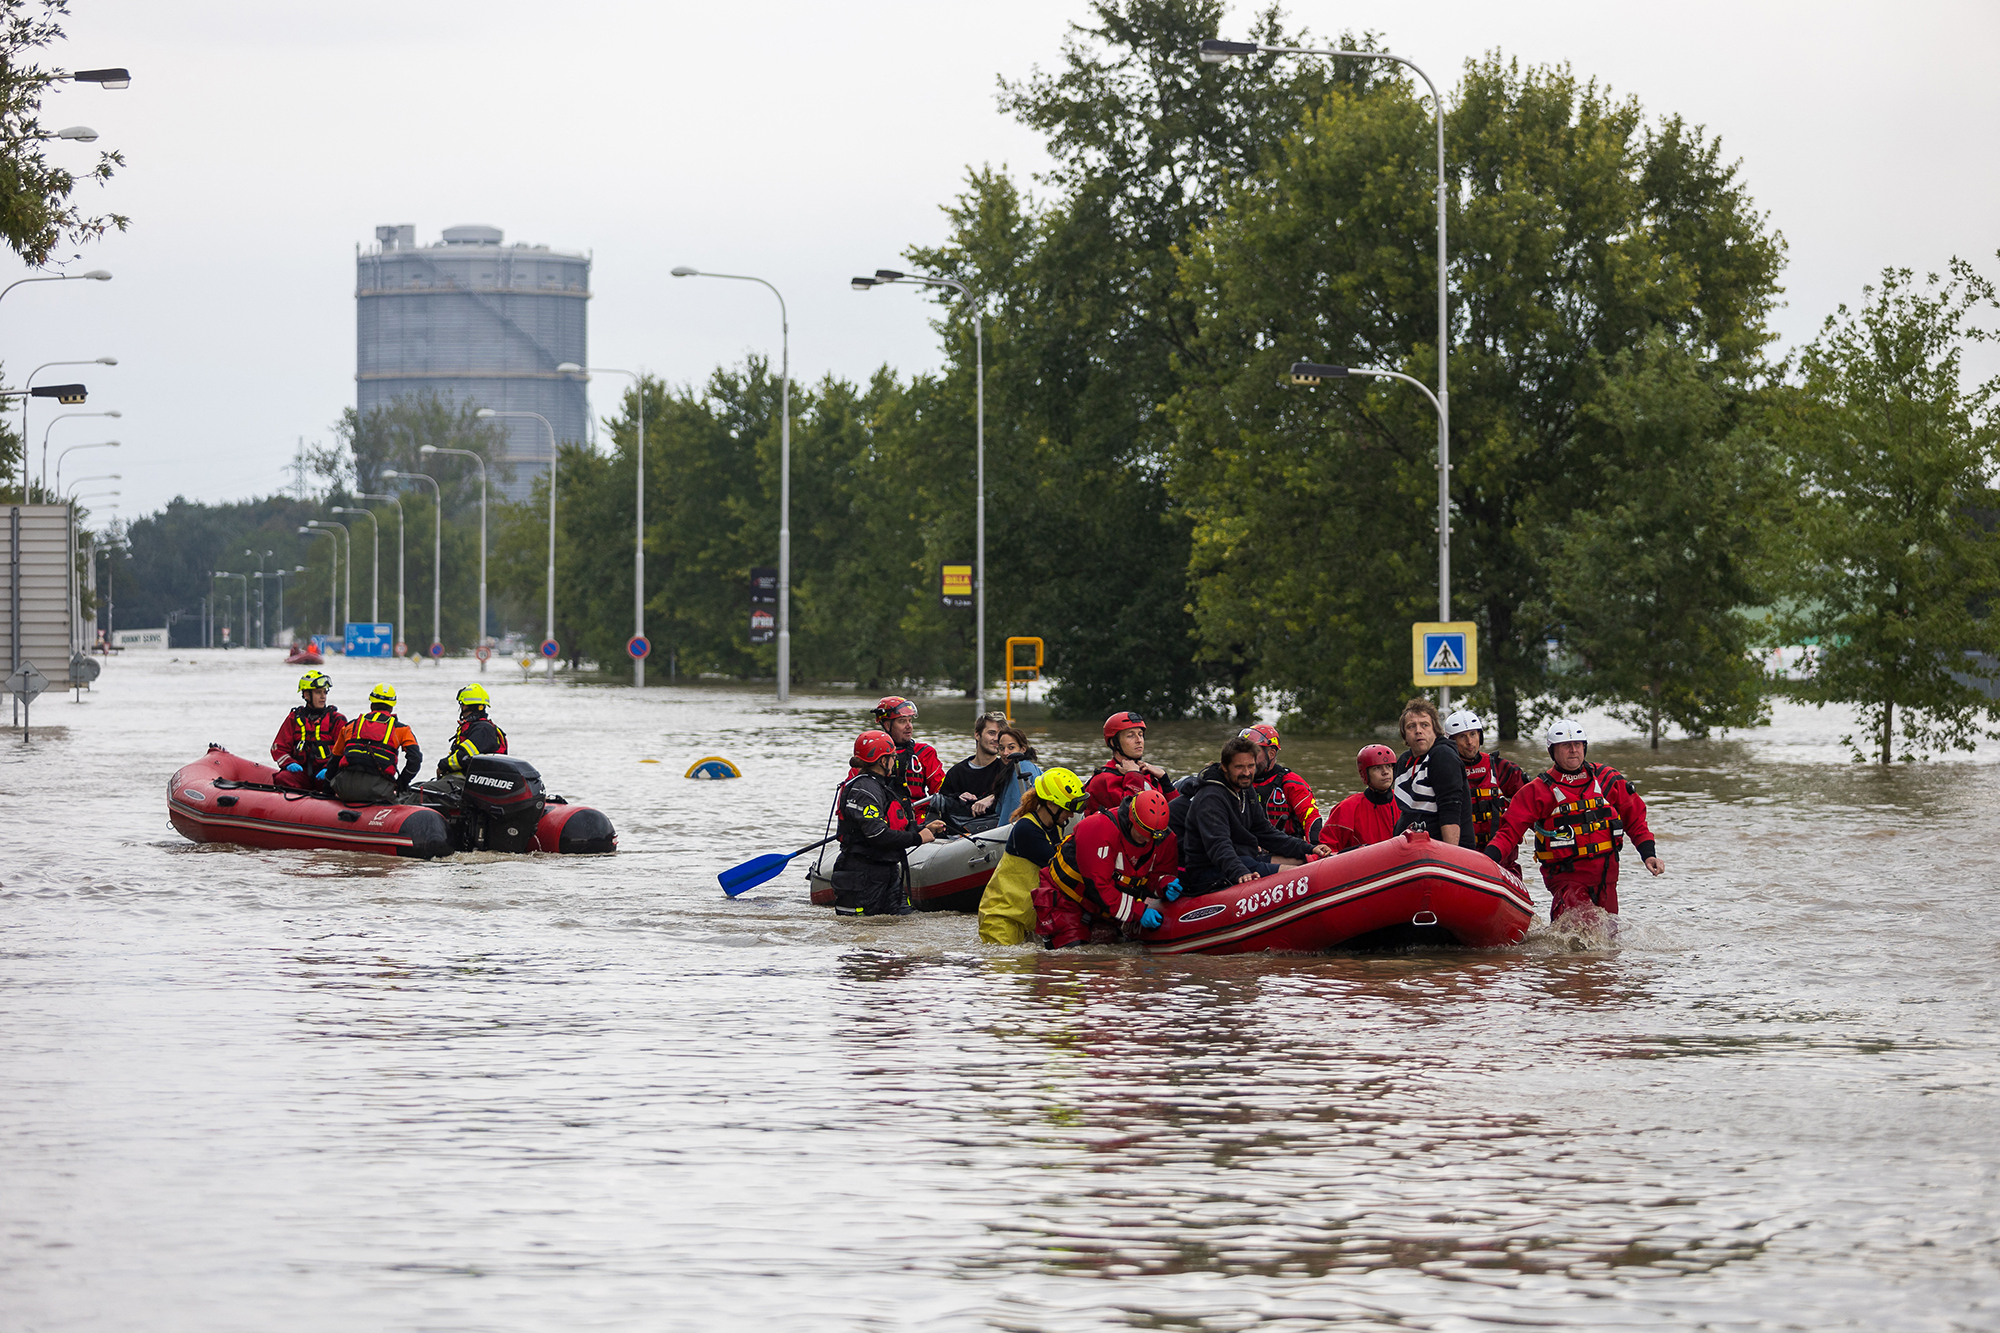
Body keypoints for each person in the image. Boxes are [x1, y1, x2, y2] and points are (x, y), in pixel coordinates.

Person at [1484, 719, 1662, 923]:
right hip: (1567, 879)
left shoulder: (1606, 779)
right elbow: (1509, 832)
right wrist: (1487, 860)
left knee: (1608, 941)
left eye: (1578, 745)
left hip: (1606, 878)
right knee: (1581, 931)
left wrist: (1648, 854)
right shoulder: (1537, 791)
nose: (1573, 750)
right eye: (1566, 746)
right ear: (1553, 751)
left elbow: (1635, 817)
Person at [1175, 737, 1328, 894]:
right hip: (1212, 870)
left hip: (1244, 858)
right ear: (1225, 767)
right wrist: (1239, 872)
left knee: (1303, 861)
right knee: (1297, 875)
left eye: (1251, 766)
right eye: (1239, 767)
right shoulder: (1210, 798)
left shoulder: (1246, 790)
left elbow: (1266, 833)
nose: (1246, 773)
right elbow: (1218, 845)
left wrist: (1310, 848)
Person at [1037, 788, 1178, 948]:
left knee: (1112, 952)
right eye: (1141, 835)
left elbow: (1153, 875)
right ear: (1131, 819)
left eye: (1150, 837)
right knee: (1072, 954)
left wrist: (1164, 883)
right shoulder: (1099, 828)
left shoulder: (1164, 839)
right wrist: (1138, 911)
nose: (1145, 840)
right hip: (1068, 899)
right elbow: (1099, 887)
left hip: (1105, 909)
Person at [831, 729, 947, 917]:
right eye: (892, 757)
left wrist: (923, 828)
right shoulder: (864, 789)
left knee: (903, 924)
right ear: (882, 761)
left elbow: (893, 827)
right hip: (862, 877)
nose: (895, 761)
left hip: (886, 873)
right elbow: (877, 835)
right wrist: (917, 838)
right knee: (864, 933)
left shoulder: (880, 786)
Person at [978, 766, 1085, 945]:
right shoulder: (1027, 829)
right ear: (1050, 804)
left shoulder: (1056, 826)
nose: (1071, 814)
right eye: (1068, 807)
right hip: (1001, 918)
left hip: (1026, 917)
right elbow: (1059, 868)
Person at [1445, 708, 1527, 859]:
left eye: (1473, 735)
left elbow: (1532, 802)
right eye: (1462, 736)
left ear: (1480, 736)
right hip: (1464, 854)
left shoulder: (1500, 767)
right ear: (1451, 741)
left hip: (1501, 855)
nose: (1469, 742)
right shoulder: (1446, 772)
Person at [328, 683, 422, 804]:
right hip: (378, 791)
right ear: (392, 707)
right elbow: (415, 759)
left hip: (344, 788)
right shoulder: (402, 730)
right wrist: (401, 784)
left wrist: (327, 793)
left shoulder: (350, 726)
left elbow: (334, 762)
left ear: (371, 704)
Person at [1392, 696, 1469, 844]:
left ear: (1435, 731)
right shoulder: (1403, 762)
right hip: (1408, 847)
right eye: (1411, 726)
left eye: (1424, 725)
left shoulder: (1442, 756)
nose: (1418, 731)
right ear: (1405, 735)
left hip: (1440, 849)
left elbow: (1450, 810)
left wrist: (1450, 858)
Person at [1240, 723, 1327, 845]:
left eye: (1253, 752)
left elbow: (1311, 818)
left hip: (1287, 848)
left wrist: (1316, 847)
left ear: (1271, 753)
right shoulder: (1235, 781)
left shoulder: (1292, 783)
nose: (1247, 758)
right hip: (1247, 849)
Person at [1083, 710, 1174, 813]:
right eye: (1130, 736)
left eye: (1140, 734)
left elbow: (1177, 814)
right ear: (1114, 743)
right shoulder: (1102, 780)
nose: (1139, 740)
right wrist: (1134, 775)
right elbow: (1130, 814)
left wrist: (1165, 780)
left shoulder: (1146, 773)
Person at [271, 670, 345, 791]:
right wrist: (289, 763)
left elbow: (344, 750)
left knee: (336, 782)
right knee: (282, 778)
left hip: (326, 773)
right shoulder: (294, 718)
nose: (323, 696)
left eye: (325, 692)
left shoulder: (336, 719)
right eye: (318, 692)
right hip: (302, 772)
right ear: (306, 695)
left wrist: (329, 768)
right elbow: (279, 747)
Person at [938, 710, 1011, 829]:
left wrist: (993, 797)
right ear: (977, 734)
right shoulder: (956, 772)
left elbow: (1019, 796)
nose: (997, 739)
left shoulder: (1007, 770)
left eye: (1000, 734)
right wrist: (958, 798)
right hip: (959, 836)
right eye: (991, 733)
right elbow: (942, 805)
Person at [873, 696, 945, 811]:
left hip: (918, 817)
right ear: (887, 725)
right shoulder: (871, 755)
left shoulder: (925, 753)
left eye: (910, 721)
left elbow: (942, 791)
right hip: (883, 817)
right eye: (902, 721)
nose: (909, 726)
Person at [1326, 744, 1400, 852]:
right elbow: (1327, 848)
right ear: (1364, 774)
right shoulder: (1347, 808)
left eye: (1388, 766)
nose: (1385, 772)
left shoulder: (1406, 802)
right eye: (1377, 768)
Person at [436, 683, 508, 778]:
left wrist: (442, 765)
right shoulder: (480, 727)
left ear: (467, 706)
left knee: (420, 791)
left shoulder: (483, 729)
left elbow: (464, 756)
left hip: (472, 781)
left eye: (462, 704)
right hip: (470, 779)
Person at [989, 724, 1045, 828]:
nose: (1005, 753)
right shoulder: (1029, 766)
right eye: (1001, 748)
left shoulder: (1020, 770)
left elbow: (1011, 812)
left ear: (1023, 749)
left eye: (1011, 748)